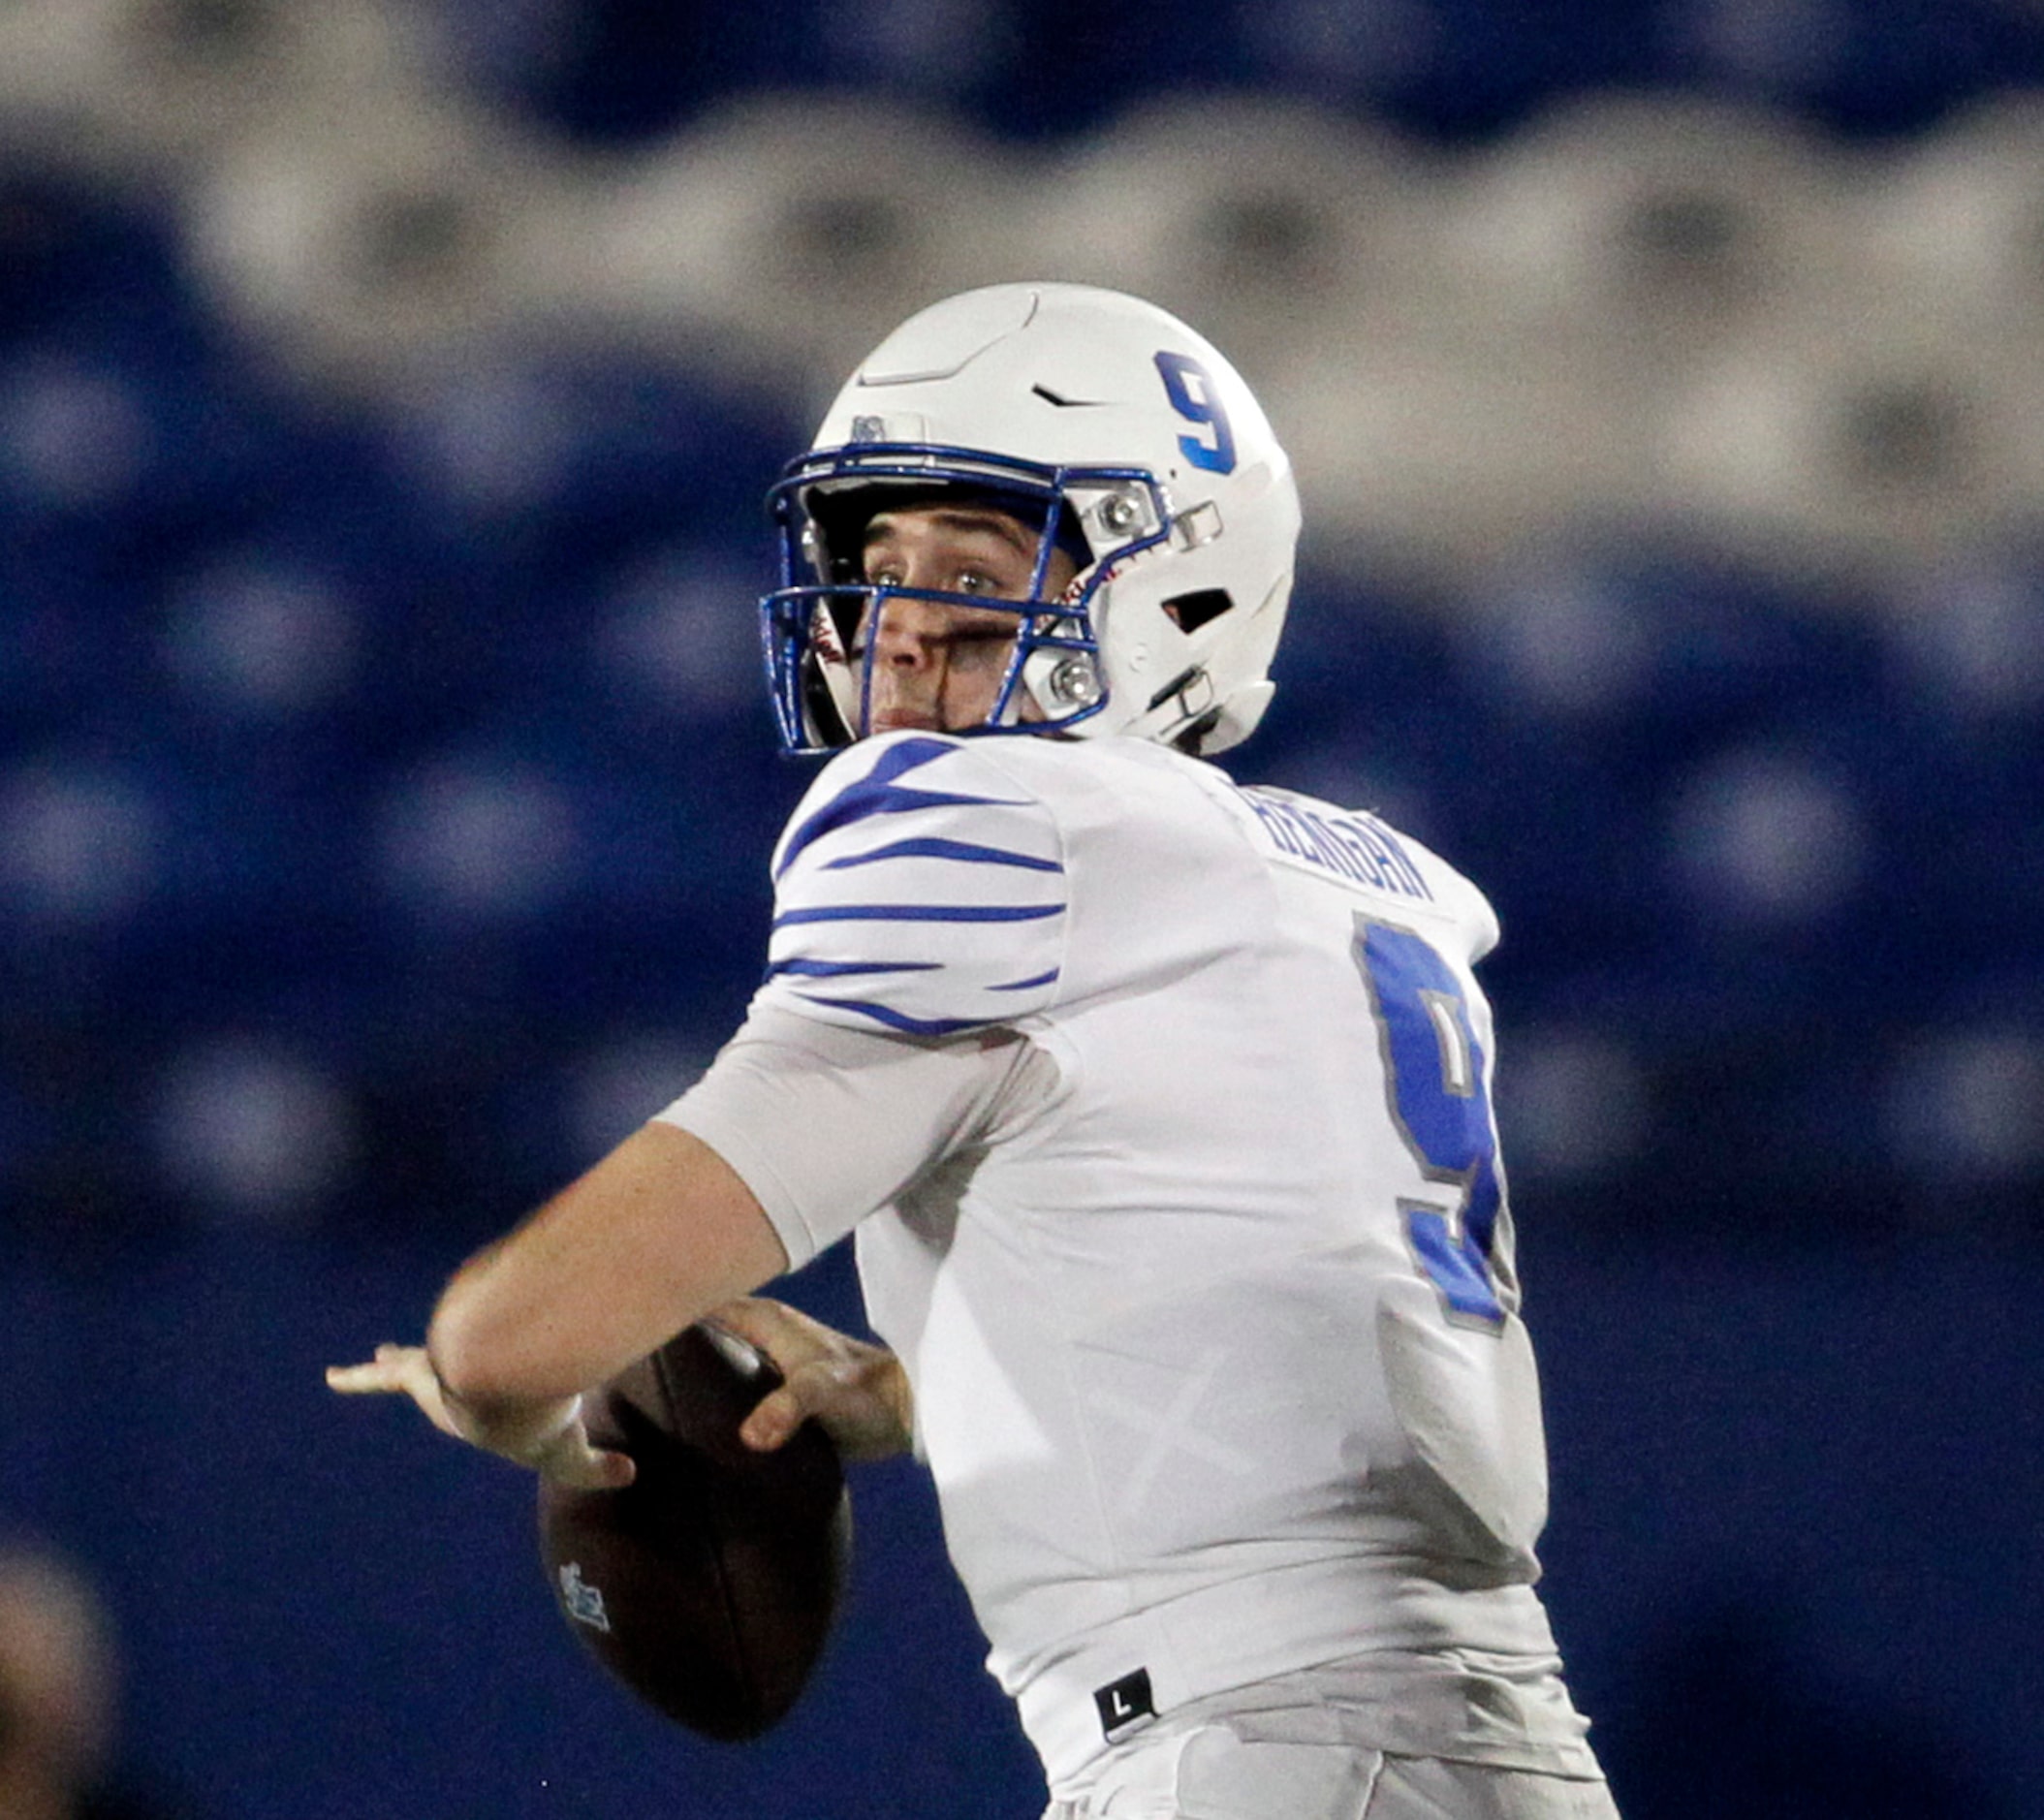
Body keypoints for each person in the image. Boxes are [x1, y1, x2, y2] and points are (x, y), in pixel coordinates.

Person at [330, 282, 1619, 1820]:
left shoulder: (996, 826)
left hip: (1269, 1754)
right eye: (876, 569)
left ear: (1180, 595)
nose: (903, 631)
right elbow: (1274, 1342)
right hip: (1458, 1746)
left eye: (980, 568)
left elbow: (513, 1341)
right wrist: (934, 1385)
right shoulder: (1344, 876)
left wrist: (498, 1395)